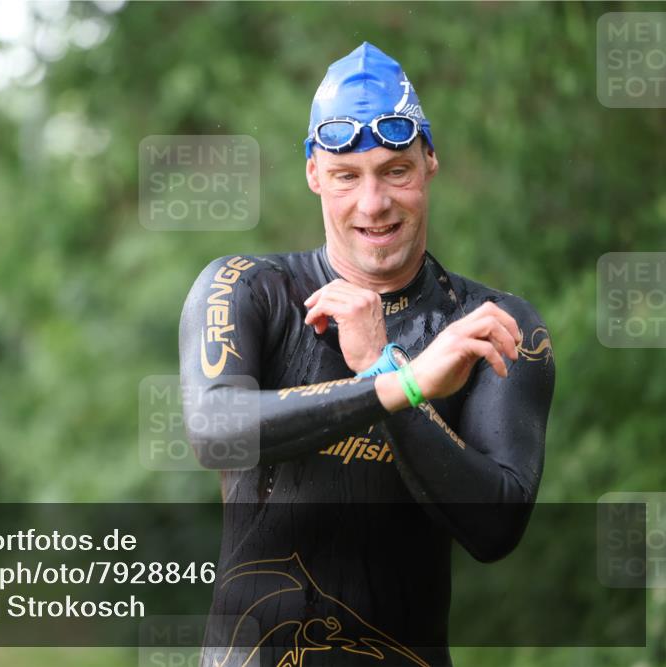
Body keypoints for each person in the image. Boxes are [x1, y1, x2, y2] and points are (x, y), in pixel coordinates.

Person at [179, 43, 555, 667]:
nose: (373, 203)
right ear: (313, 175)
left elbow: (496, 529)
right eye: (347, 176)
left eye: (395, 171)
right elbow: (215, 430)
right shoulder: (248, 287)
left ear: (430, 162)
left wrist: (388, 372)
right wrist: (395, 382)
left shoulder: (488, 324)